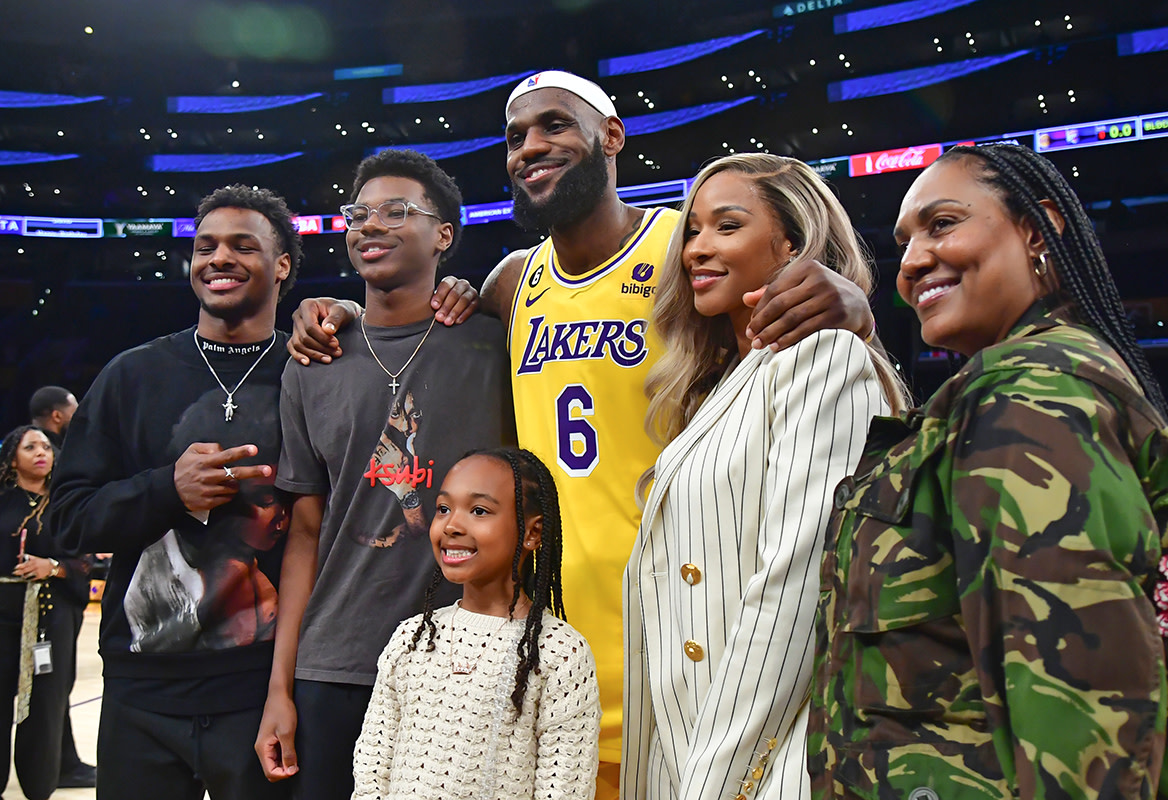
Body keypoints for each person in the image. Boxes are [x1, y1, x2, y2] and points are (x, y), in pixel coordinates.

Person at [288, 71, 878, 796]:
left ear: (611, 136)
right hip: (544, 652)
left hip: (676, 636)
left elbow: (786, 316)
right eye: (515, 137)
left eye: (555, 126)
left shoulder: (680, 246)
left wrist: (852, 302)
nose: (530, 147)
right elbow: (406, 323)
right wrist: (329, 311)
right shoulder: (509, 283)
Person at [809, 143, 1168, 799]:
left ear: (1034, 228)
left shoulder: (1031, 401)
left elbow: (1078, 716)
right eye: (904, 240)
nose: (911, 261)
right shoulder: (1013, 389)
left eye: (942, 223)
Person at [622, 154, 907, 800]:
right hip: (694, 750)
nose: (696, 248)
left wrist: (714, 782)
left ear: (793, 244)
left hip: (772, 763)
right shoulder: (720, 385)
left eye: (727, 226)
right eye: (692, 230)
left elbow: (797, 585)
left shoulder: (824, 357)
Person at [255, 149, 515, 800]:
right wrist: (281, 688)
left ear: (444, 235)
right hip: (335, 666)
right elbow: (305, 535)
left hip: (467, 662)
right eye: (359, 213)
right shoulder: (311, 360)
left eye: (397, 211)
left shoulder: (493, 342)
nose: (370, 225)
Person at [47, 185, 304, 800]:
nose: (220, 257)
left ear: (283, 266)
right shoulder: (130, 375)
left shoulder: (313, 369)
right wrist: (168, 490)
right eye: (206, 246)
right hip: (143, 692)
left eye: (245, 246)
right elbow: (64, 521)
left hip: (265, 691)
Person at [352, 448, 600, 799]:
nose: (452, 525)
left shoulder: (559, 653)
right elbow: (372, 769)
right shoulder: (411, 638)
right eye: (443, 509)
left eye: (479, 511)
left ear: (532, 533)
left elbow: (564, 788)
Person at [0, 426, 89, 800]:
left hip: (52, 619)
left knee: (46, 707)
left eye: (47, 446)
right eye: (30, 446)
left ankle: (40, 788)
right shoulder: (3, 500)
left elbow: (86, 559)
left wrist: (52, 566)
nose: (41, 452)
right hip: (4, 616)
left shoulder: (66, 504)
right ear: (12, 458)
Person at [28, 383, 96, 789]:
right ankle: (53, 766)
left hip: (61, 594)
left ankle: (60, 760)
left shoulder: (55, 470)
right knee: (47, 686)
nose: (40, 455)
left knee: (55, 685)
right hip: (39, 602)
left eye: (42, 449)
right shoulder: (59, 461)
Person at [29, 386, 78, 450]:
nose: (78, 420)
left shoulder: (18, 447)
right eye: (75, 413)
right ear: (57, 416)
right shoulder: (56, 456)